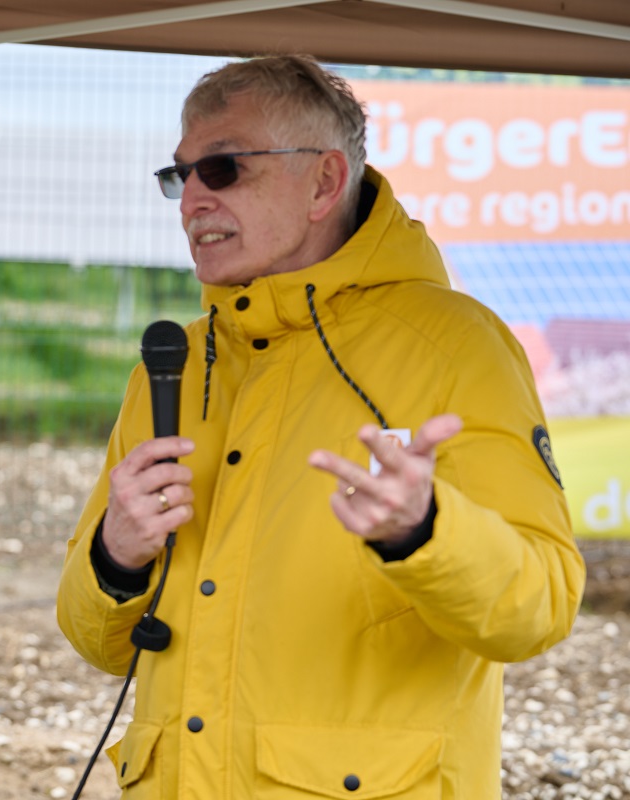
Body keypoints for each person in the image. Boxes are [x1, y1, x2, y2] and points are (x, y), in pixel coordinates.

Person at [57, 55, 585, 798]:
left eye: (224, 168)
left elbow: (541, 605)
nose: (191, 201)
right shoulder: (170, 366)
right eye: (180, 176)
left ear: (325, 182)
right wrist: (115, 557)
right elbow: (97, 642)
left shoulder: (457, 346)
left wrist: (427, 532)